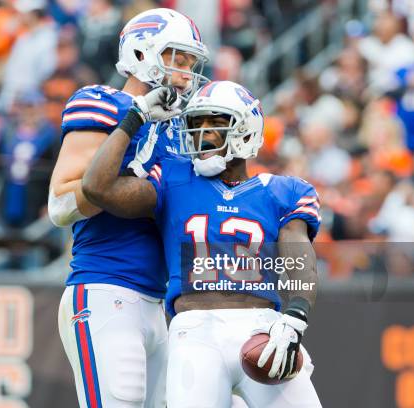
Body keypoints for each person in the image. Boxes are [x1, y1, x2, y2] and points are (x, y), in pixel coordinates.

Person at [82, 81, 322, 407]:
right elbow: (97, 186)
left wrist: (295, 317)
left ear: (246, 129)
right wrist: (135, 116)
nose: (203, 132)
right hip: (194, 333)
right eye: (197, 123)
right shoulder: (173, 178)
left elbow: (297, 256)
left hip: (264, 329)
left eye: (215, 122)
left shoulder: (283, 191)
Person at [49, 8, 208, 407]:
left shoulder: (180, 128)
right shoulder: (104, 102)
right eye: (179, 58)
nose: (187, 72)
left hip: (159, 305)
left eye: (192, 62)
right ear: (143, 53)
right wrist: (133, 133)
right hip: (107, 289)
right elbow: (60, 205)